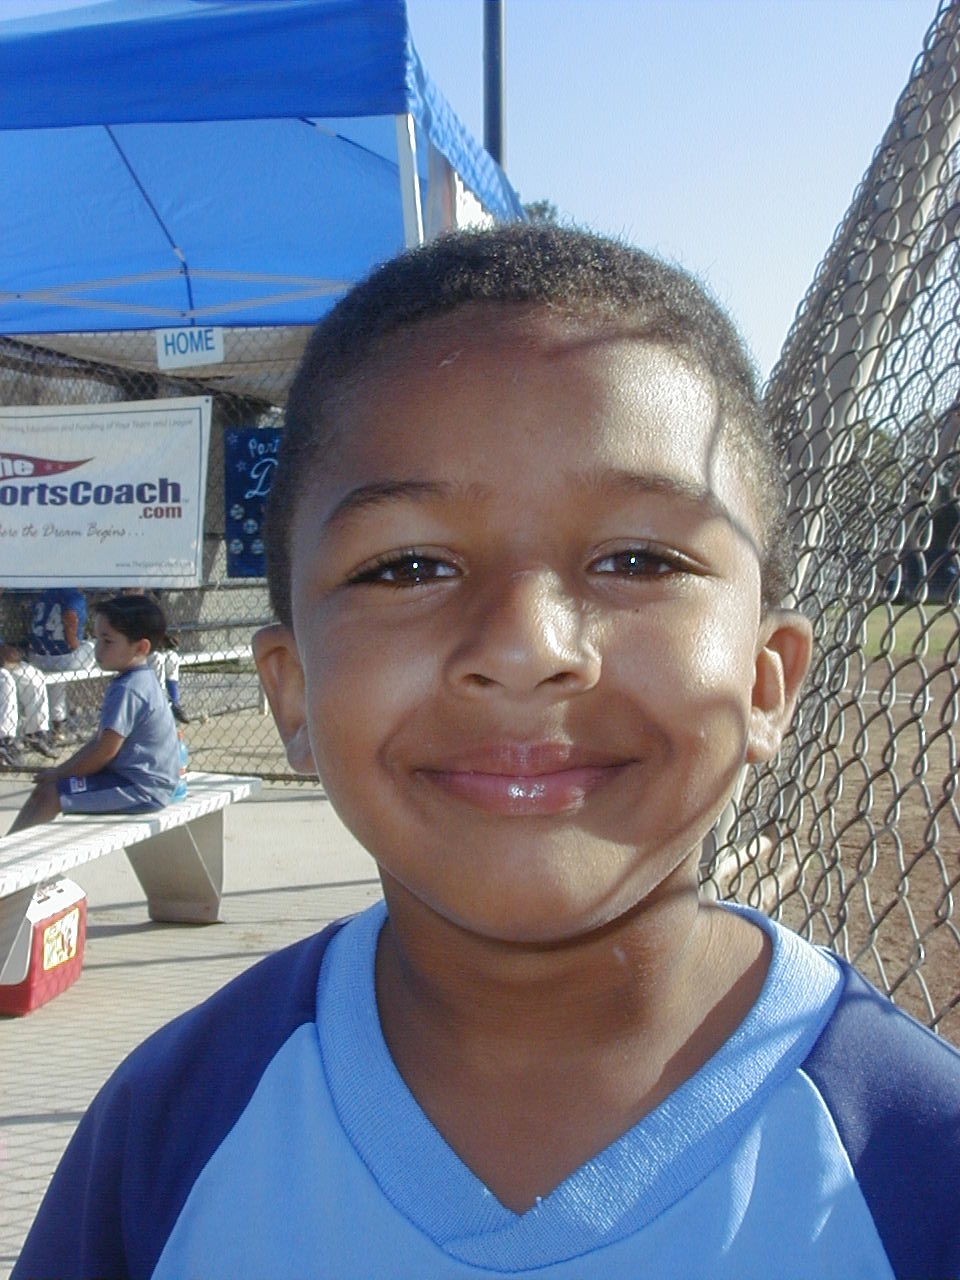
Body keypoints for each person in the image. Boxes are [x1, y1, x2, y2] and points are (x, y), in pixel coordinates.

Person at [13, 225, 960, 1278]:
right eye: (408, 566)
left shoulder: (921, 1163)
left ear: (766, 680)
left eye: (638, 558)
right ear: (293, 690)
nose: (524, 646)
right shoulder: (165, 1137)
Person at [7, 594, 180, 834]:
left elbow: (104, 751)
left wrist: (60, 775)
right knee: (47, 789)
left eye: (107, 641)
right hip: (140, 783)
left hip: (141, 789)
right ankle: (9, 850)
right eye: (97, 638)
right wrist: (59, 772)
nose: (98, 648)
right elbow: (99, 742)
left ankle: (12, 856)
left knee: (51, 794)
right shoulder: (135, 679)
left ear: (141, 647)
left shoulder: (129, 689)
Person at [26, 586, 96, 737]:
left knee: (58, 680)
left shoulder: (47, 592)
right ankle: (58, 723)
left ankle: (58, 722)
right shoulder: (74, 595)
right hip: (64, 657)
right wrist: (74, 645)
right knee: (93, 646)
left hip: (38, 657)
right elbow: (70, 616)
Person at [120, 588, 190, 724]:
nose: (135, 590)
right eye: (130, 589)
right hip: (132, 651)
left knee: (172, 657)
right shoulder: (121, 607)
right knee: (157, 658)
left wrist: (165, 640)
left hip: (148, 649)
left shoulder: (147, 604)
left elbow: (154, 631)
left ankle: (174, 702)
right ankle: (162, 703)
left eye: (137, 588)